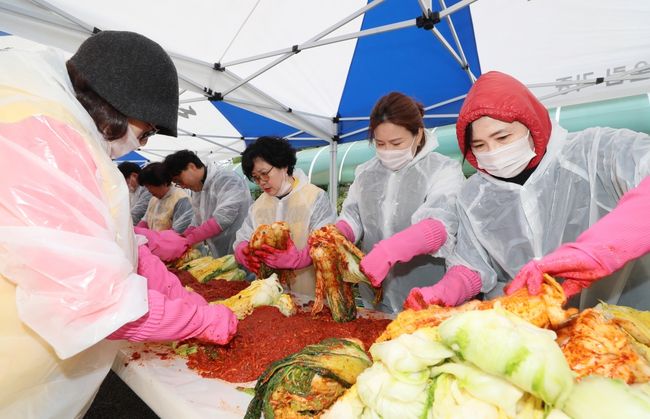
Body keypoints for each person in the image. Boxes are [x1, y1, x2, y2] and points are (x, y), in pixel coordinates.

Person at [0, 31, 237, 417]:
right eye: (145, 133)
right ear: (116, 109)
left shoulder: (59, 131)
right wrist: (199, 318)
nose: (140, 146)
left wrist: (173, 289)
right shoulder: (42, 138)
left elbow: (104, 243)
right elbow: (98, 301)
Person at [404, 71, 650, 311]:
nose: (493, 151)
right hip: (536, 331)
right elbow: (474, 263)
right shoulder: (475, 195)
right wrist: (447, 290)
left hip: (626, 323)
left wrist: (600, 249)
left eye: (502, 138)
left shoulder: (594, 152)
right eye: (480, 145)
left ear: (531, 124)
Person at [335, 92, 466, 313]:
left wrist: (390, 250)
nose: (388, 151)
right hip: (376, 296)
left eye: (396, 143)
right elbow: (353, 214)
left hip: (426, 295)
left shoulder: (442, 169)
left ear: (418, 134)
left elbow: (442, 222)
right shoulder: (366, 173)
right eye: (380, 144)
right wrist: (339, 233)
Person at [233, 136, 337, 295]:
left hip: (313, 293)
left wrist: (301, 258)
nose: (262, 182)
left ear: (283, 165)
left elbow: (328, 241)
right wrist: (242, 251)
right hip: (273, 297)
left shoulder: (314, 196)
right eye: (255, 178)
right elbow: (243, 237)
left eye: (264, 173)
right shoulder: (258, 206)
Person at [142, 149, 252, 260]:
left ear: (191, 167)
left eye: (179, 180)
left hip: (241, 246)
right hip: (220, 251)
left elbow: (223, 218)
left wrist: (188, 240)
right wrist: (184, 236)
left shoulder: (227, 179)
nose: (183, 186)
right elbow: (198, 218)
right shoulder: (199, 189)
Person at [137, 162, 193, 233]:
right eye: (146, 186)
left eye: (150, 186)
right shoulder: (154, 199)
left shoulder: (181, 199)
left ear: (164, 183)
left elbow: (178, 231)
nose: (149, 190)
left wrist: (156, 239)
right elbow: (145, 221)